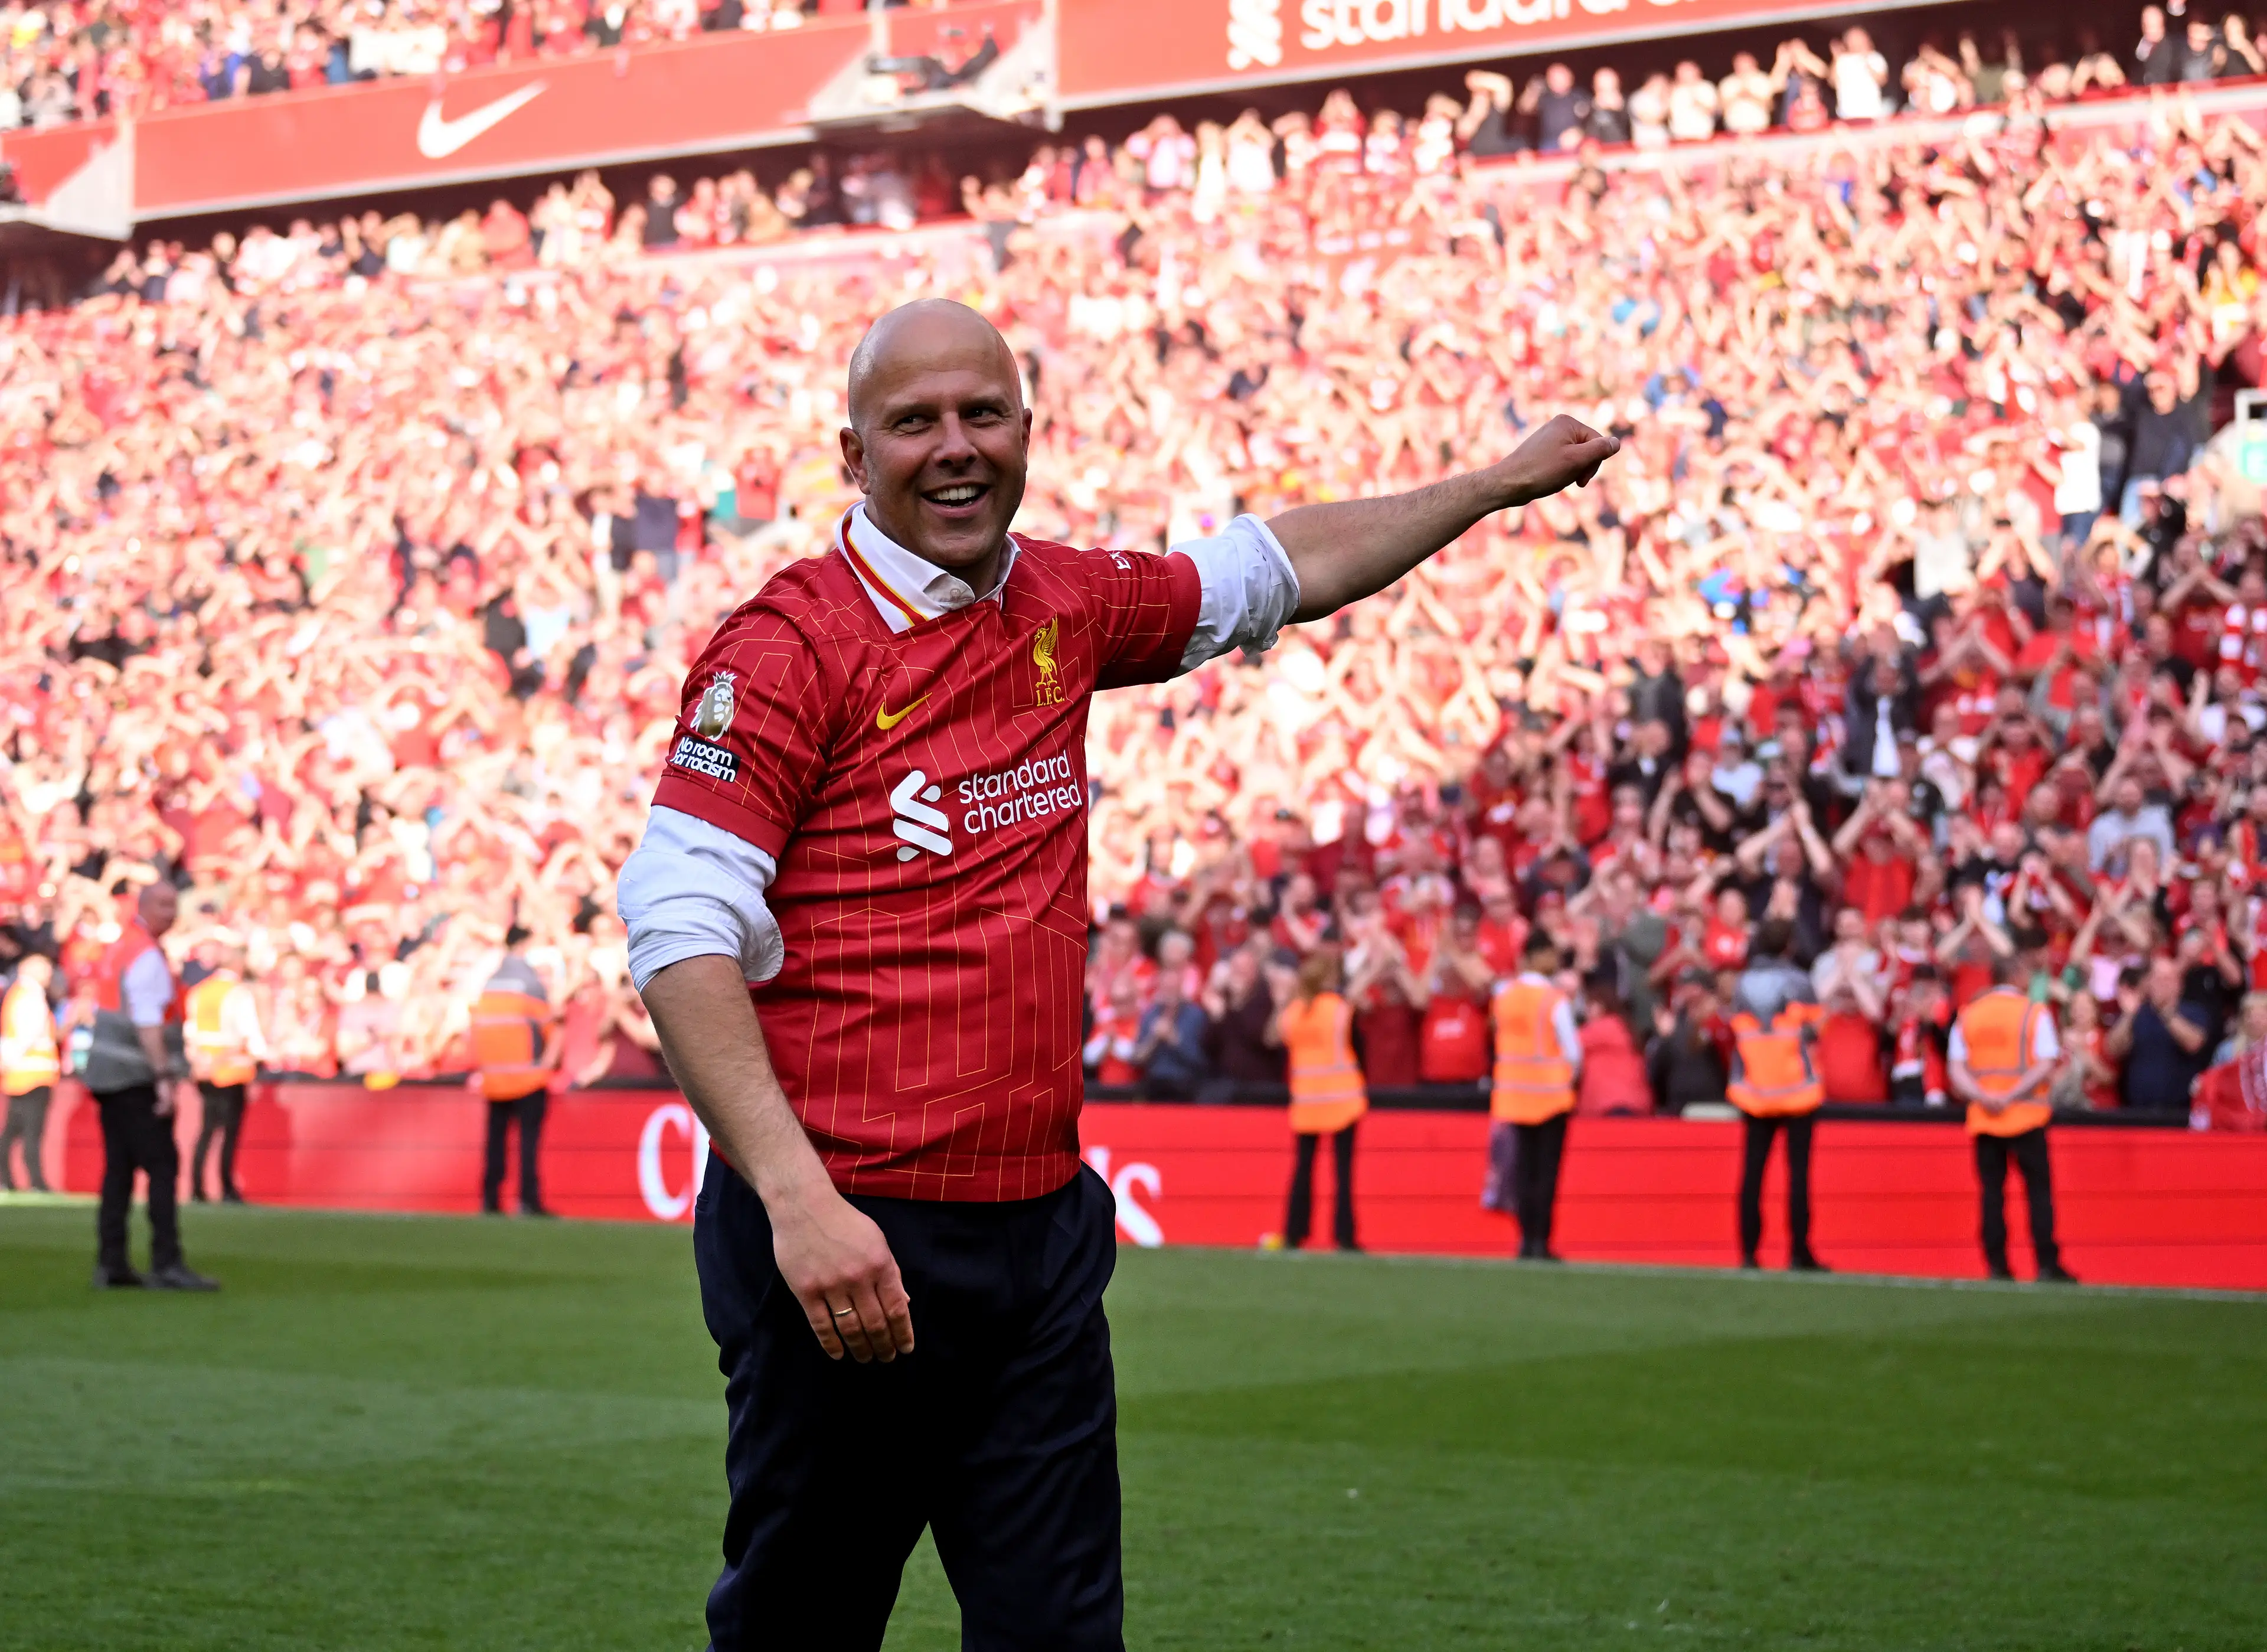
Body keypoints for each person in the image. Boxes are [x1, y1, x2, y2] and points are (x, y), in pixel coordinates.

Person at [616, 298, 1616, 1650]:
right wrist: (798, 1200)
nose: (954, 447)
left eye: (982, 414)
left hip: (1035, 1239)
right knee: (803, 1627)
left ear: (1028, 430)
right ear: (851, 454)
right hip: (845, 1242)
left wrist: (1489, 487)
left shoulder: (1065, 602)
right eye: (914, 422)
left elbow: (1271, 568)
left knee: (1063, 1636)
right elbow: (677, 930)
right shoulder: (788, 648)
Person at [79, 884, 220, 1291]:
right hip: (135, 1077)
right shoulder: (146, 955)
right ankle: (166, 1261)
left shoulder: (122, 947)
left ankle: (112, 1262)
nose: (171, 913)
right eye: (163, 905)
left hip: (108, 1075)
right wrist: (163, 1079)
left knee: (119, 1169)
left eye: (174, 905)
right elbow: (148, 1022)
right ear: (143, 908)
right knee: (161, 1166)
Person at [1950, 951, 2076, 1282]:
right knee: (2038, 1193)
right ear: (2018, 976)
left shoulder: (1970, 1014)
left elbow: (1956, 1067)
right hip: (2026, 1115)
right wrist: (2011, 1095)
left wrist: (1984, 1096)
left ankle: (1997, 1265)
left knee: (1992, 1194)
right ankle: (2047, 1264)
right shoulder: (2033, 1013)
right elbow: (2046, 1062)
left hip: (1985, 1118)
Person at [1726, 920, 1829, 1272]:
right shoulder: (1799, 982)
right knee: (1798, 1174)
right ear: (1789, 946)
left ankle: (1748, 1252)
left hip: (1755, 1088)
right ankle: (1799, 1252)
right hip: (1797, 1088)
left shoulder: (1742, 984)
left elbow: (1737, 1030)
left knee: (1753, 1173)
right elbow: (1817, 1029)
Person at [1489, 932, 1582, 1261]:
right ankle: (1541, 1240)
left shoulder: (1505, 995)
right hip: (1550, 1096)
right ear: (1539, 955)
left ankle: (1525, 1240)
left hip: (1514, 1095)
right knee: (1546, 1173)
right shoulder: (1554, 999)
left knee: (1523, 1171)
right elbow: (1572, 1051)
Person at [1272, 948, 1365, 1251]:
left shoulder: (1295, 1011)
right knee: (1343, 1173)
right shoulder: (1339, 1009)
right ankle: (1345, 1236)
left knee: (1303, 1169)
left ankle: (1293, 1233)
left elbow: (1274, 1037)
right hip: (1343, 1101)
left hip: (1307, 1102)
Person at [470, 936, 560, 1217]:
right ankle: (528, 1201)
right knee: (527, 1145)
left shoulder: (488, 986)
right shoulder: (531, 986)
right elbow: (551, 1031)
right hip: (528, 1078)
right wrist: (545, 1065)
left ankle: (490, 1200)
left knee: (495, 1143)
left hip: (495, 1079)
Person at [184, 941, 267, 1204]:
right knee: (230, 1132)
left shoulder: (200, 991)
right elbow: (250, 1034)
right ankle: (226, 1187)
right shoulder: (238, 993)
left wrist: (201, 1061)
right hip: (232, 1070)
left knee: (207, 1129)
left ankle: (197, 1186)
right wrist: (262, 1054)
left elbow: (191, 1032)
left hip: (204, 1069)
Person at [1, 952, 58, 1192]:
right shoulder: (29, 997)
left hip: (22, 1074)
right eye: (45, 966)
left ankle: (8, 1178)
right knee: (31, 1132)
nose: (50, 972)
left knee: (14, 1130)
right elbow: (26, 1036)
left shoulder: (20, 994)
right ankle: (36, 1182)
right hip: (32, 1075)